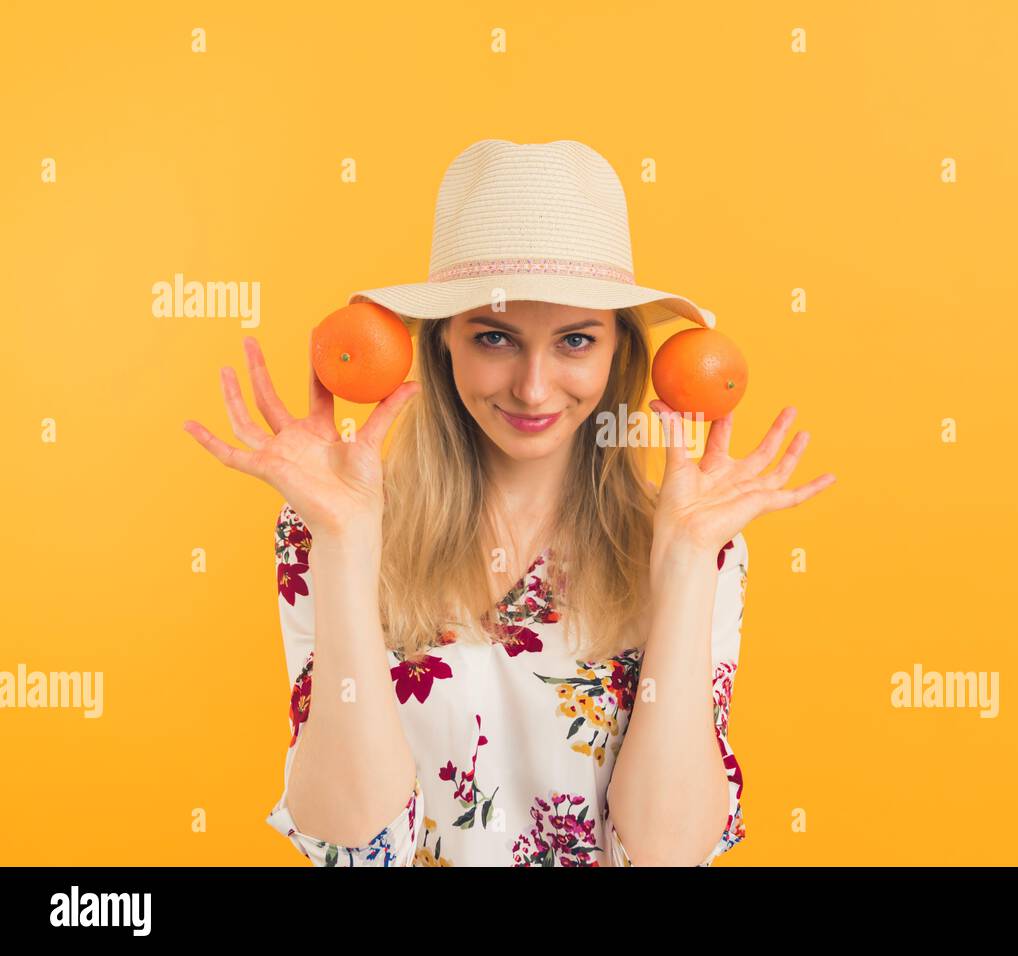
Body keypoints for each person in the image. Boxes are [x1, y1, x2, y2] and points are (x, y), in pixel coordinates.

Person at [182, 140, 835, 866]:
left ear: (619, 355)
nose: (531, 387)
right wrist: (345, 543)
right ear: (442, 349)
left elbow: (665, 853)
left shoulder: (694, 539)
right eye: (495, 338)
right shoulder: (330, 527)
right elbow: (353, 845)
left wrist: (683, 564)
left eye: (574, 341)